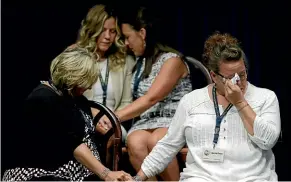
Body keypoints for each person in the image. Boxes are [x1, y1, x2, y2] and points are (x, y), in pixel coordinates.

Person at [130, 32, 281, 181]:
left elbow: (268, 141)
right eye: (230, 77)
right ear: (214, 76)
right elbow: (168, 145)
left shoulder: (265, 97)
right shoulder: (192, 101)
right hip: (202, 178)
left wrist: (240, 103)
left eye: (242, 74)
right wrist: (138, 178)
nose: (238, 82)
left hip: (251, 178)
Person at [1, 47, 132, 181]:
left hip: (80, 173)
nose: (90, 87)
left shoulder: (76, 98)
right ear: (73, 77)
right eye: (86, 81)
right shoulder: (41, 99)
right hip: (41, 172)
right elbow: (73, 144)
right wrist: (106, 174)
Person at [101, 6, 192, 181]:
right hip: (146, 122)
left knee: (157, 141)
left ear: (142, 33)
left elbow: (152, 98)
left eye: (128, 37)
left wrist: (114, 116)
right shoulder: (139, 62)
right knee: (134, 141)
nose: (126, 43)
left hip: (173, 120)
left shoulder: (172, 60)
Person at [71, 4, 135, 142]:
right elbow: (69, 98)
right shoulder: (76, 56)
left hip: (114, 121)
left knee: (111, 135)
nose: (107, 36)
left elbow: (126, 102)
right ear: (91, 30)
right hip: (83, 117)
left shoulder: (126, 61)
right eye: (102, 30)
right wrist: (94, 116)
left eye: (112, 31)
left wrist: (111, 118)